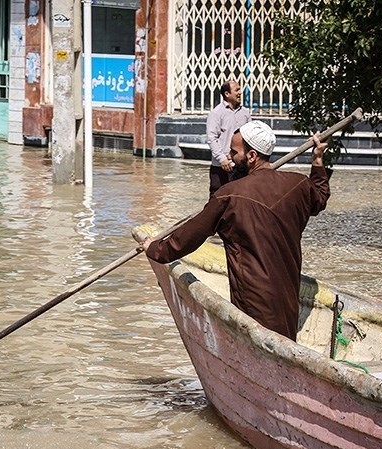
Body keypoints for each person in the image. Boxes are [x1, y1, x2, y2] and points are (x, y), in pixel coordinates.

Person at [141, 121, 330, 341]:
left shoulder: (228, 195)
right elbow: (320, 197)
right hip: (287, 297)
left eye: (233, 152)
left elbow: (188, 238)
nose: (229, 157)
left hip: (253, 302)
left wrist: (154, 248)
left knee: (258, 344)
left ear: (251, 156)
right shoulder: (298, 185)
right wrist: (317, 160)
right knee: (283, 341)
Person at [206, 80, 250, 197]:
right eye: (237, 90)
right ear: (227, 94)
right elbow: (211, 138)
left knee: (239, 197)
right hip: (221, 166)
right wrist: (222, 159)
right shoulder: (216, 113)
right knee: (217, 198)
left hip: (239, 165)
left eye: (240, 89)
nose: (240, 92)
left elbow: (249, 136)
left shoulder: (245, 113)